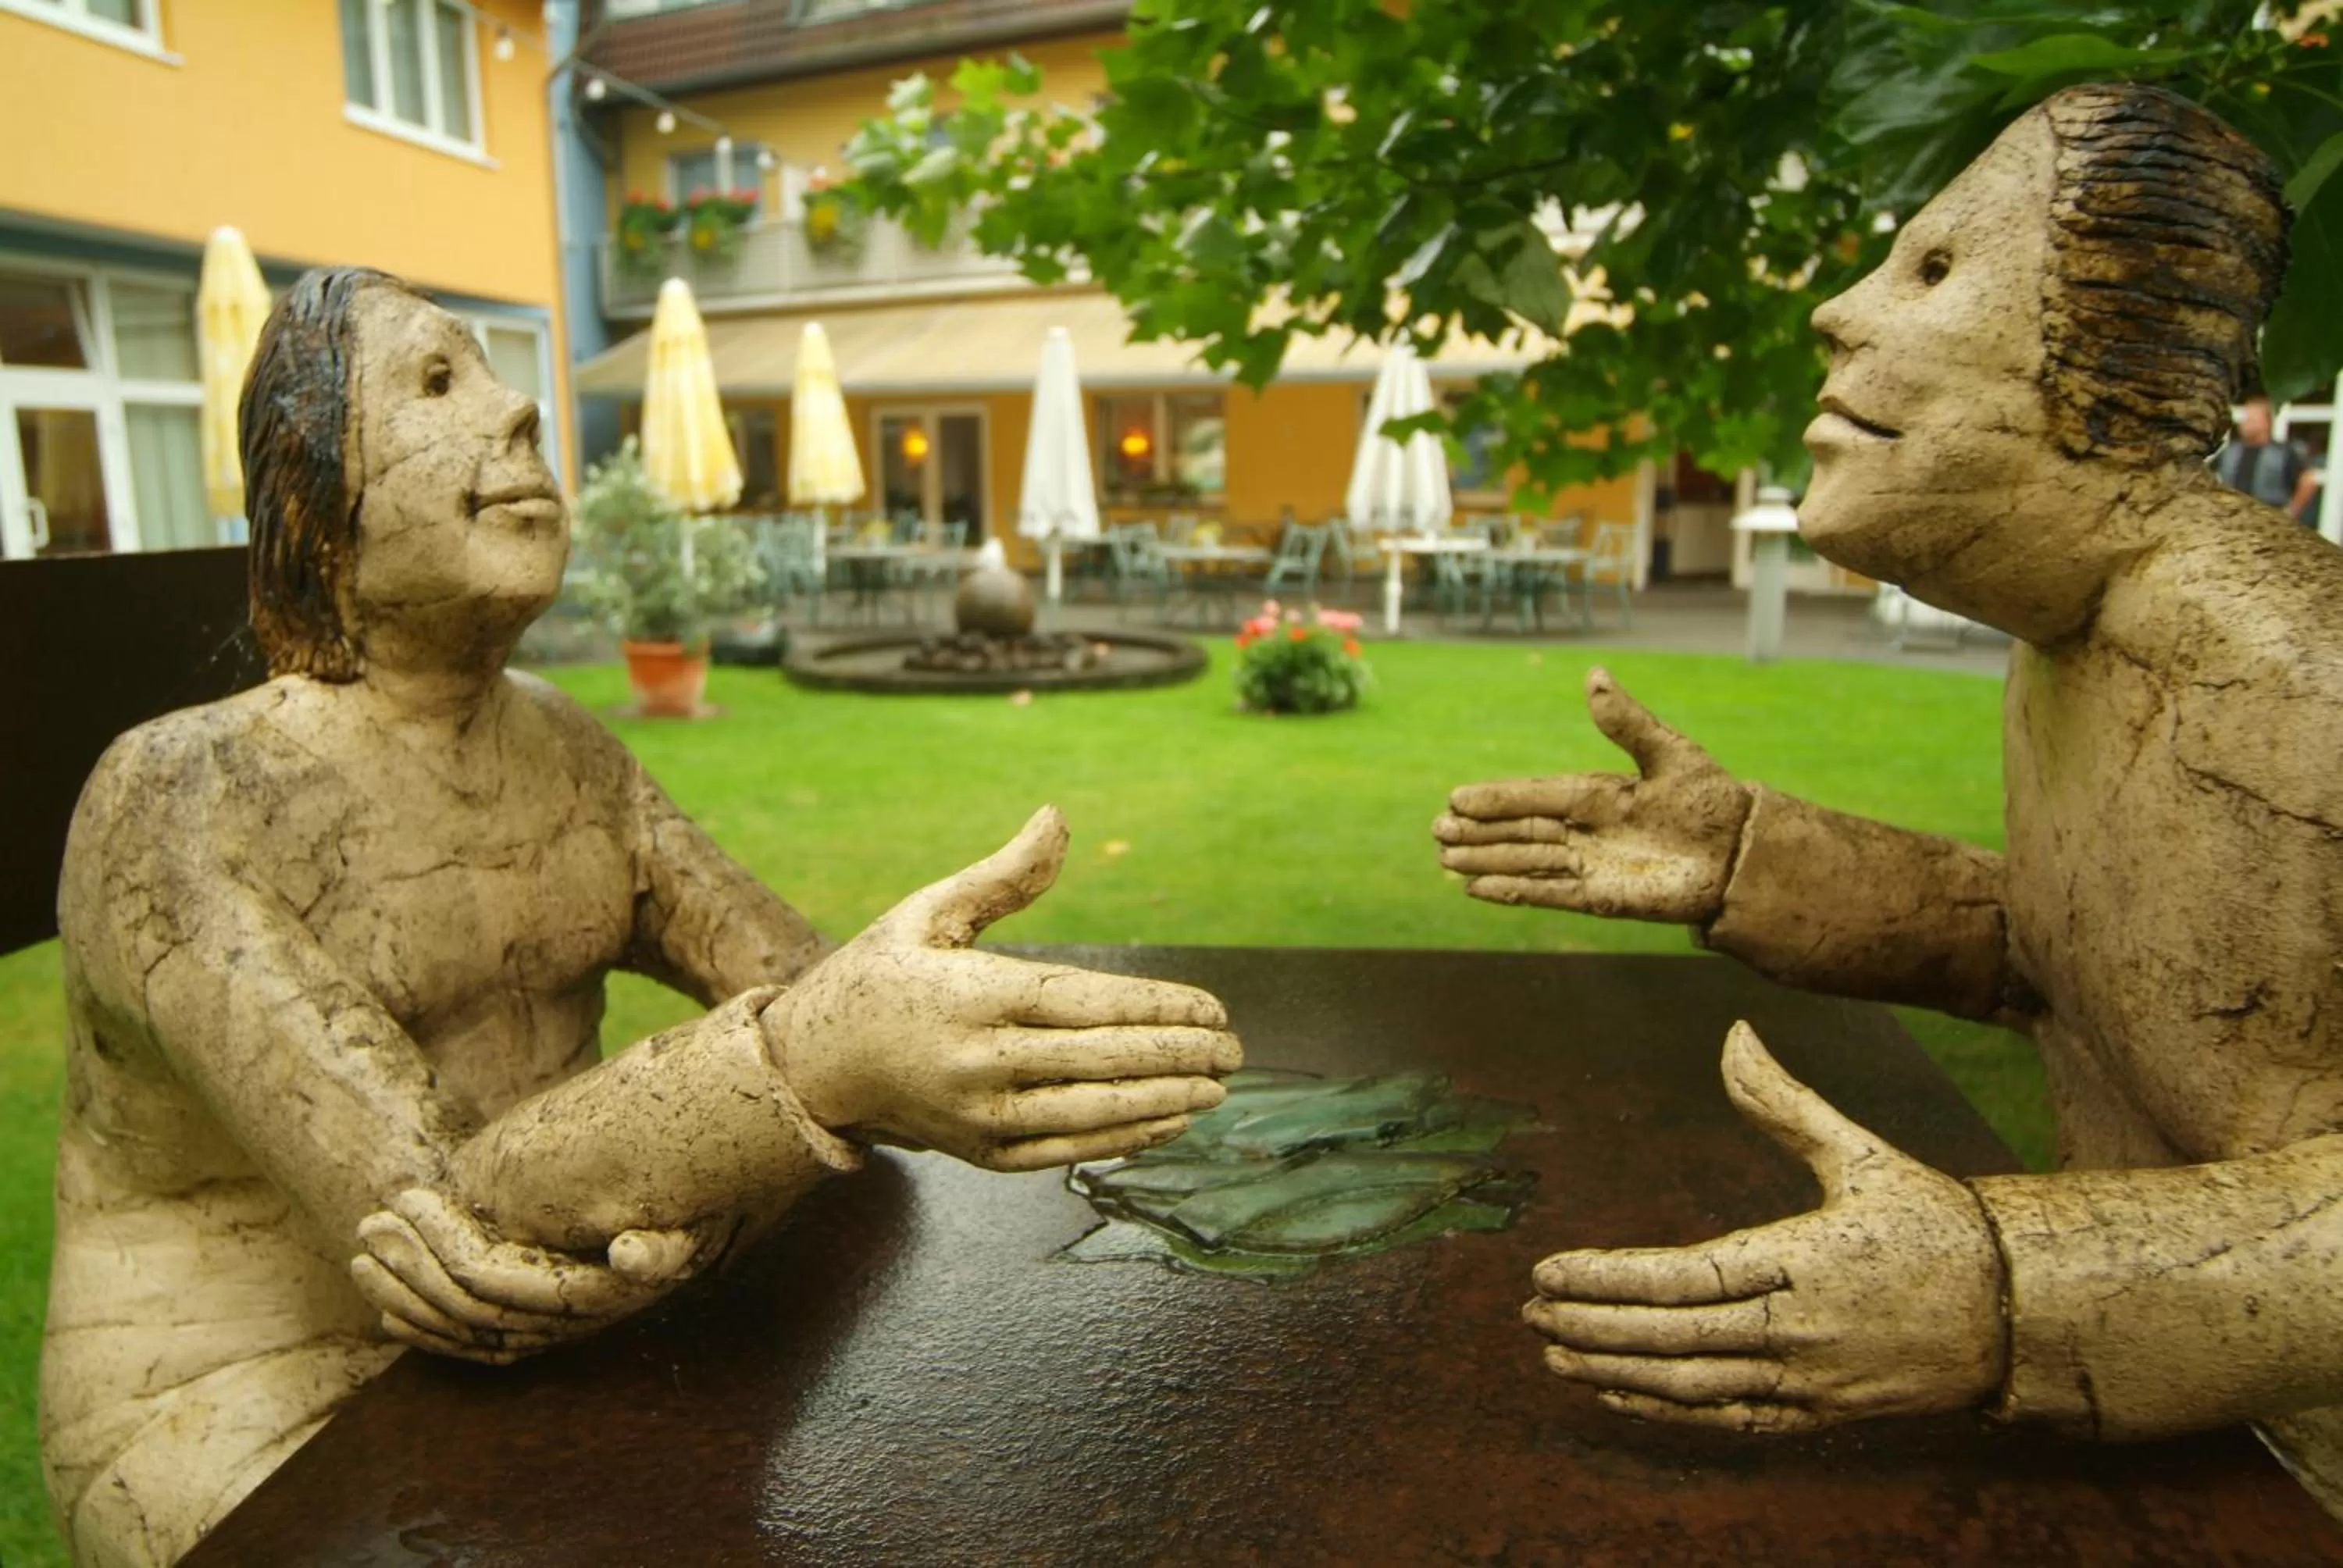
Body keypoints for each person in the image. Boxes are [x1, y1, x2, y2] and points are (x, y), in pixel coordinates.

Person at [41, 268, 1241, 1565]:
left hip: (573, 1342)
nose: (516, 410)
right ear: (318, 508)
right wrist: (811, 1063)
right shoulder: (180, 796)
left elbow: (800, 977)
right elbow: (446, 1224)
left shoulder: (563, 747)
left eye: (494, 369)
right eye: (437, 381)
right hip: (255, 1414)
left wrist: (907, 1020)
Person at [1435, 83, 2343, 1513]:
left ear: (2107, 363)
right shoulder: (2078, 642)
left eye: (1934, 268)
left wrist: (2004, 1288)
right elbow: (2090, 968)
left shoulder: (2296, 676)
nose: (1838, 312)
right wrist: (1761, 859)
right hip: (2191, 1469)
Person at [2216, 391, 2320, 521]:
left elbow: (2308, 481)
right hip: (2231, 518)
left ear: (2266, 423)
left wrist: (2290, 513)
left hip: (2269, 519)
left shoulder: (2283, 453)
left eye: (2252, 420)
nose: (2245, 424)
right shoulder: (2230, 452)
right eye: (2246, 419)